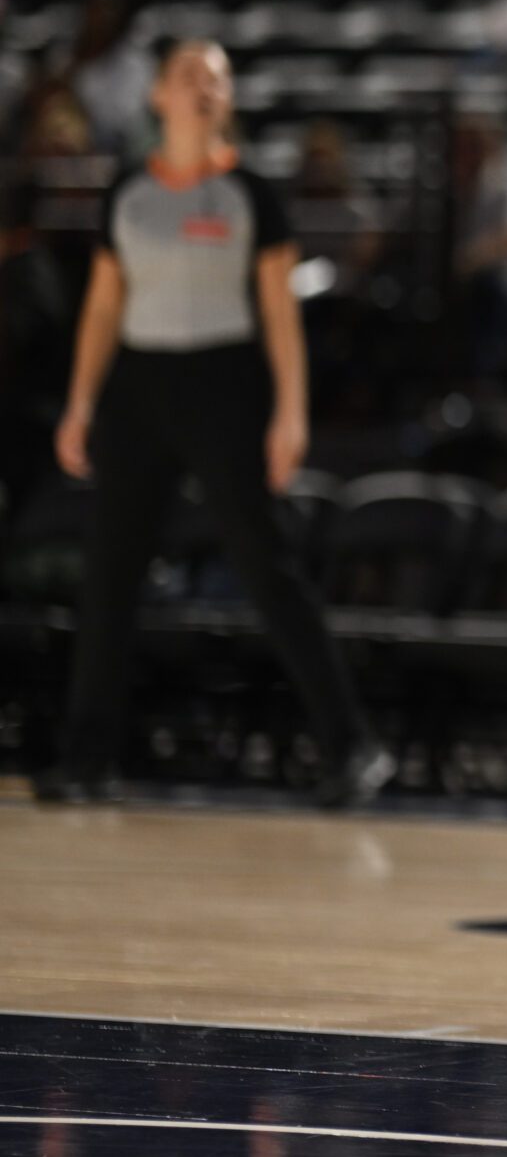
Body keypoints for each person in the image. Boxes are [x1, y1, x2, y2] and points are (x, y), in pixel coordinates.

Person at [45, 41, 390, 808]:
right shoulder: (128, 193)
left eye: (215, 79)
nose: (201, 88)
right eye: (187, 76)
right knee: (110, 574)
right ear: (158, 95)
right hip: (140, 384)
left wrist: (291, 412)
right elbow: (104, 305)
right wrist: (81, 401)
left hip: (224, 382)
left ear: (228, 100)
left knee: (268, 567)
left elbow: (278, 311)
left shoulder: (251, 195)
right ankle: (87, 758)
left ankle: (352, 746)